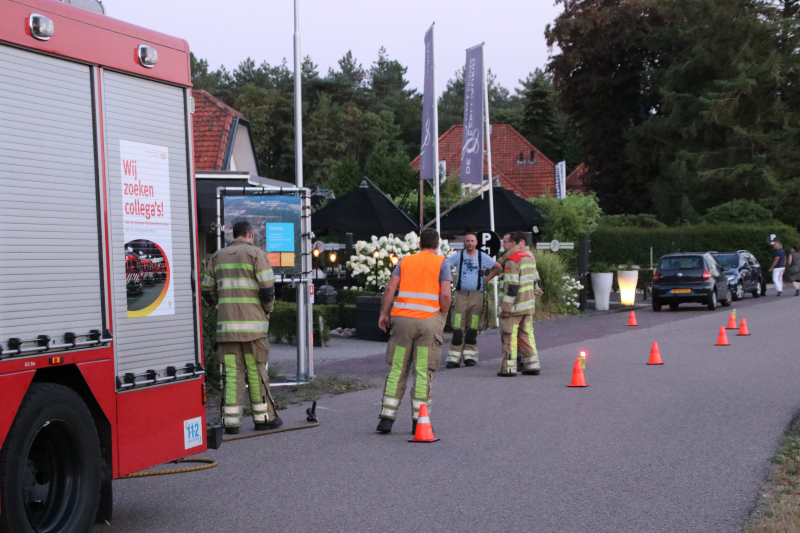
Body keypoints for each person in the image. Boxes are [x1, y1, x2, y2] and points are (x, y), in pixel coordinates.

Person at [201, 220, 281, 434]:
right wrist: (267, 310)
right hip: (253, 328)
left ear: (234, 235)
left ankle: (231, 421)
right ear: (249, 234)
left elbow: (207, 290)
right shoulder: (256, 254)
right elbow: (267, 290)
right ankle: (264, 418)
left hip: (227, 330)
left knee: (232, 374)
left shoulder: (217, 256)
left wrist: (220, 305)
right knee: (256, 371)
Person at [376, 229, 451, 435]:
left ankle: (386, 418)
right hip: (428, 323)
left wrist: (384, 313)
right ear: (437, 245)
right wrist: (442, 315)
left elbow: (390, 288)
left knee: (398, 368)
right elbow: (445, 294)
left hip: (402, 322)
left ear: (419, 244)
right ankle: (419, 421)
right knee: (422, 370)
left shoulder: (405, 261)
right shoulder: (441, 263)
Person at [486, 232, 542, 377]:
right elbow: (535, 279)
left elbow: (511, 288)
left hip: (515, 308)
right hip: (528, 306)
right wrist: (536, 290)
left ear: (513, 243)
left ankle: (508, 368)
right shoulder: (528, 257)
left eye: (505, 242)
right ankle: (532, 365)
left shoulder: (512, 260)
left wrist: (506, 309)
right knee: (525, 336)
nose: (502, 244)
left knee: (509, 337)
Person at [444, 233, 497, 368]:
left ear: (476, 242)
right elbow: (444, 266)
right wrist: (452, 278)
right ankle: (454, 358)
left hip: (476, 296)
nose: (469, 243)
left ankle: (470, 356)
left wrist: (486, 280)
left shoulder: (482, 256)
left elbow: (498, 267)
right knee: (457, 326)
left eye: (472, 241)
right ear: (464, 243)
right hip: (461, 295)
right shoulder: (459, 256)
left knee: (473, 326)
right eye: (467, 241)